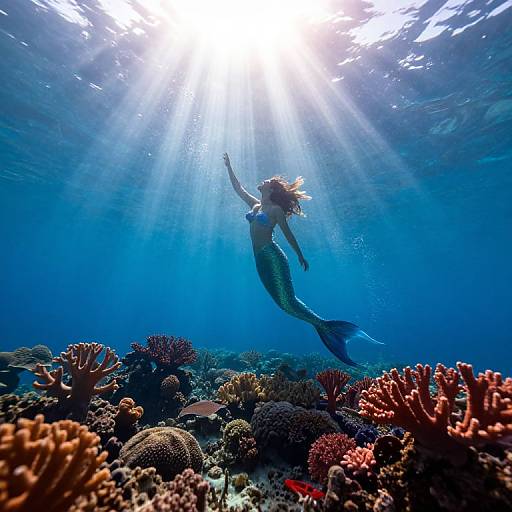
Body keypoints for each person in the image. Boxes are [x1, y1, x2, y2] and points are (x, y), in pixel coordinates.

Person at [223, 153, 380, 366]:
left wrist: (300, 255)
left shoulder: (276, 210)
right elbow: (238, 188)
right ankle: (325, 327)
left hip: (273, 257)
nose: (263, 181)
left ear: (272, 189)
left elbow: (287, 233)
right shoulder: (256, 206)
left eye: (267, 181)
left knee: (288, 302)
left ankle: (328, 328)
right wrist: (229, 166)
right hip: (259, 259)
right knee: (283, 304)